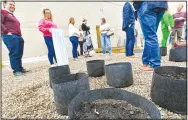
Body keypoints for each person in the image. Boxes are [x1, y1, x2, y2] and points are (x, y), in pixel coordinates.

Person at [133, 1, 168, 71]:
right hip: (161, 5)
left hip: (147, 5)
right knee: (150, 36)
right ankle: (146, 62)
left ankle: (155, 64)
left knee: (150, 37)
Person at [1, 0, 30, 76]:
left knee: (19, 53)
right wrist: (7, 32)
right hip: (10, 36)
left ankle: (19, 68)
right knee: (14, 53)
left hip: (17, 36)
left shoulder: (11, 15)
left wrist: (20, 35)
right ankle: (16, 71)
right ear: (4, 4)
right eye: (10, 4)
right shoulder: (3, 12)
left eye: (14, 5)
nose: (12, 6)